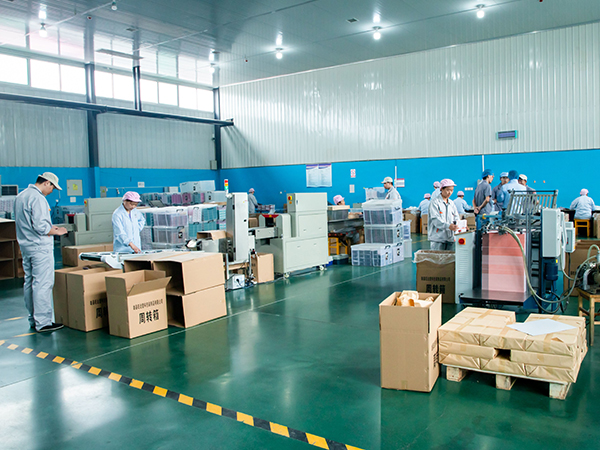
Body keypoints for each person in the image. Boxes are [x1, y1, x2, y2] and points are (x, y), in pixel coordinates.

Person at [14, 172, 67, 332]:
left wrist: (50, 227)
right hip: (40, 248)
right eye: (52, 188)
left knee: (30, 282)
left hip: (26, 246)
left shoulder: (21, 196)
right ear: (46, 183)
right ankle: (43, 322)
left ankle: (33, 319)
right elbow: (41, 227)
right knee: (43, 283)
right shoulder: (38, 198)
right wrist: (57, 231)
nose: (51, 191)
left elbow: (29, 223)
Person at [428, 179, 460, 250]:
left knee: (450, 256)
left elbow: (456, 216)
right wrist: (448, 226)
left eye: (452, 190)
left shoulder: (451, 203)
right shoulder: (435, 202)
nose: (450, 192)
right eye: (448, 190)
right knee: (437, 256)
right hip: (438, 238)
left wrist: (459, 225)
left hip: (450, 238)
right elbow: (435, 219)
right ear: (441, 189)